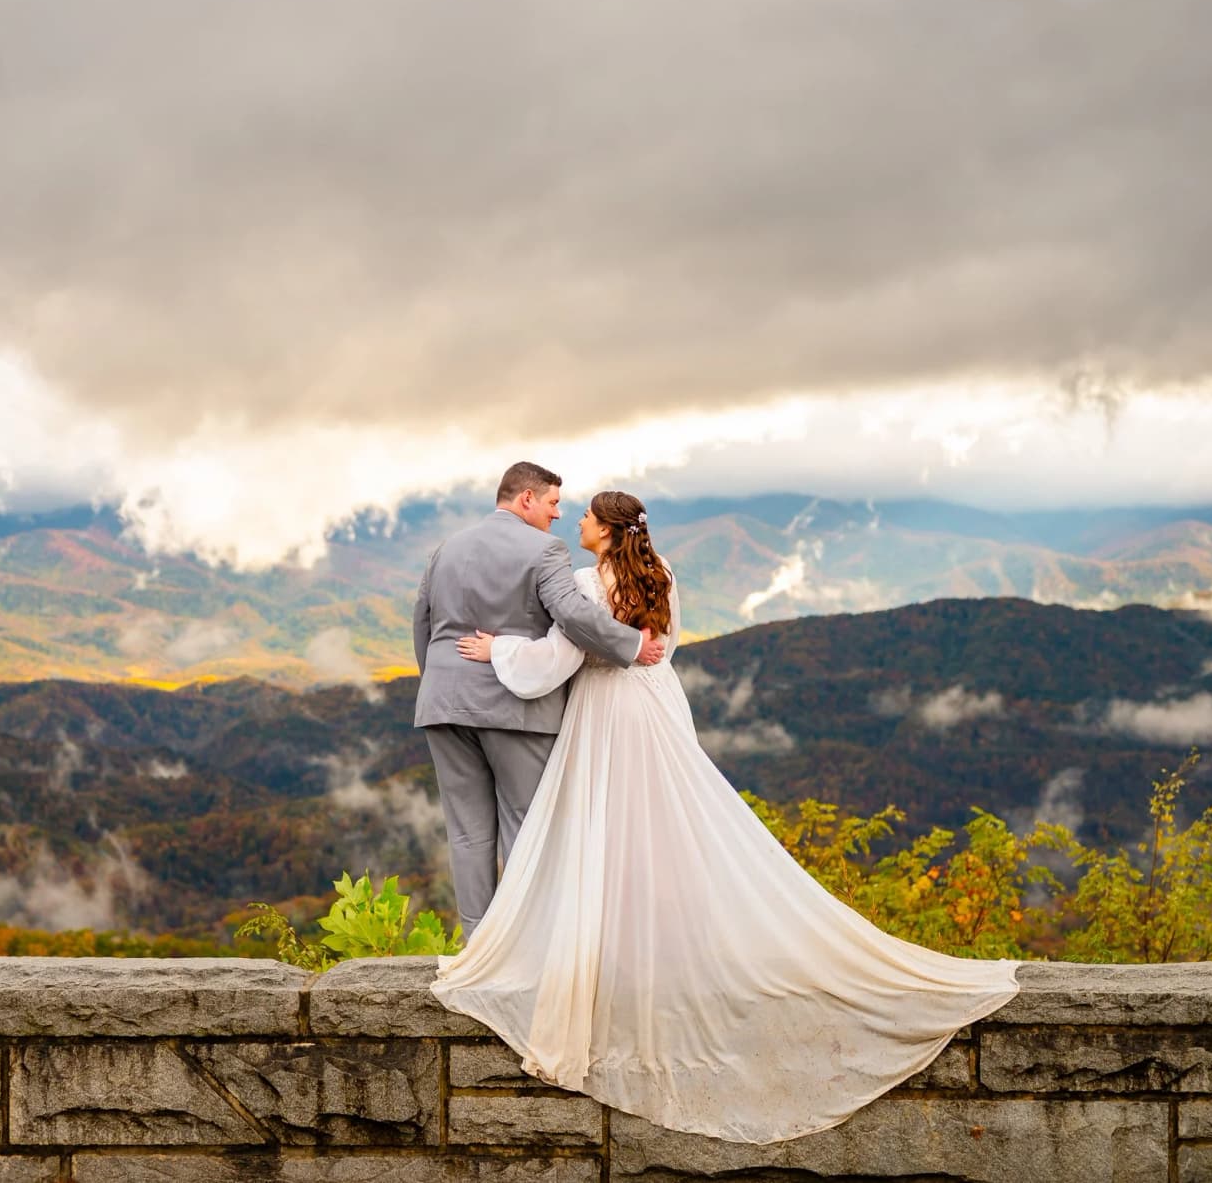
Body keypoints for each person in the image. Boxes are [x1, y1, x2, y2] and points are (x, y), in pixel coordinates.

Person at [429, 489, 1022, 1145]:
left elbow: (555, 659)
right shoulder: (662, 573)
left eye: (589, 517)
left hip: (604, 714)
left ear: (608, 528)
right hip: (657, 706)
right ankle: (665, 963)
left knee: (607, 841)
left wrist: (498, 651)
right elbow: (667, 645)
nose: (580, 523)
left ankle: (611, 976)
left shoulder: (582, 584)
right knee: (664, 837)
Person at [413, 462, 666, 940]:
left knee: (467, 834)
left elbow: (422, 625)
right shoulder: (544, 550)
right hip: (515, 709)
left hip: (443, 705)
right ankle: (522, 950)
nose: (557, 515)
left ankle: (479, 947)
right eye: (552, 502)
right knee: (527, 827)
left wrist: (442, 686)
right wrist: (633, 645)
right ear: (526, 499)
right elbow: (572, 615)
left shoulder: (446, 548)